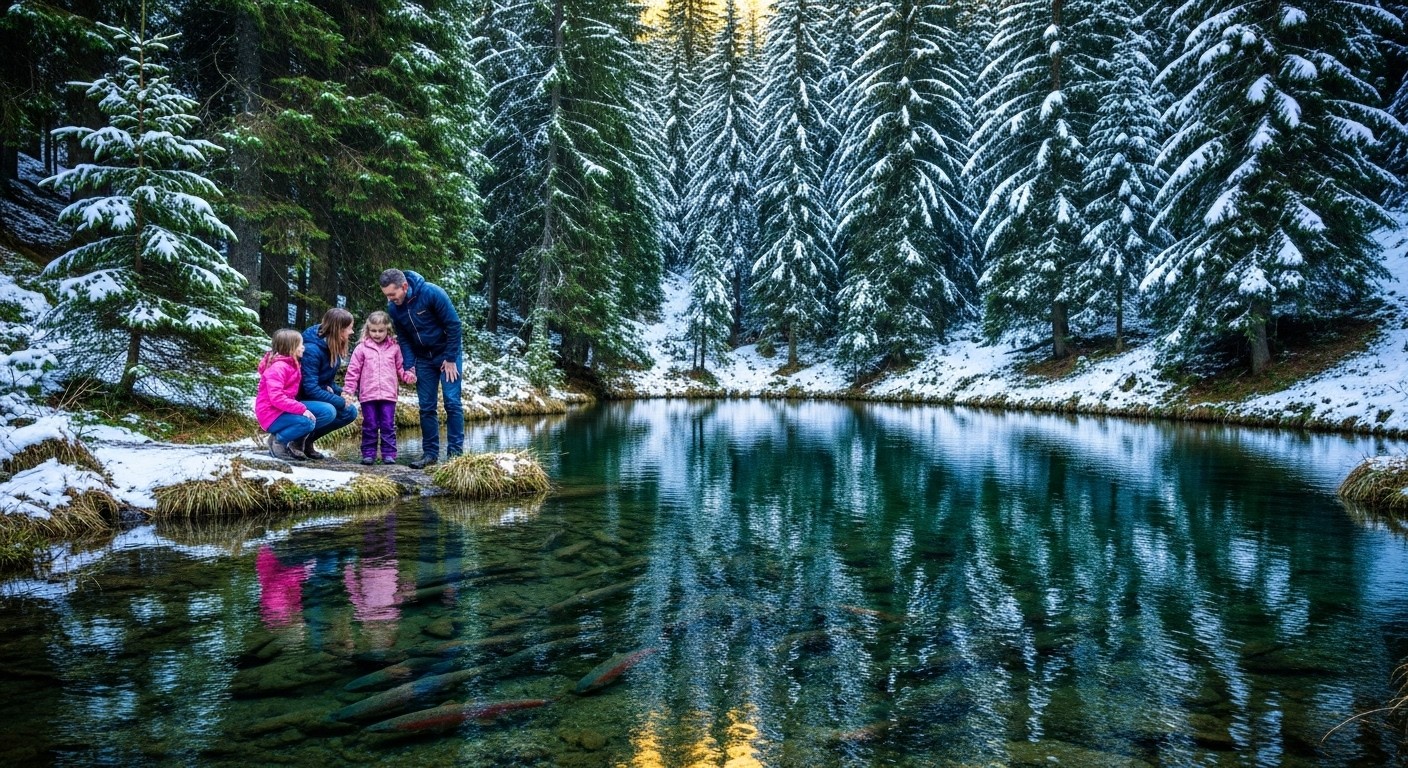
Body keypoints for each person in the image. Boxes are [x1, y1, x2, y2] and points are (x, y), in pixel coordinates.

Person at [380, 268, 463, 469]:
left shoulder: (431, 293)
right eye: (386, 295)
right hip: (423, 359)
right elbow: (405, 339)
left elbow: (454, 325)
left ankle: (455, 457)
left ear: (405, 287)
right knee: (426, 407)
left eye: (393, 294)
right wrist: (409, 366)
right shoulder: (394, 308)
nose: (390, 299)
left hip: (447, 355)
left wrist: (450, 358)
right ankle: (430, 455)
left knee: (452, 403)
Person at [343, 311, 416, 465]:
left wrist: (409, 376)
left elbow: (400, 368)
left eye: (381, 331)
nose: (377, 334)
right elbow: (353, 371)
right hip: (367, 394)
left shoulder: (394, 348)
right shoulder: (361, 348)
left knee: (388, 425)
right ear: (367, 330)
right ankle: (368, 454)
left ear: (388, 330)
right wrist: (348, 391)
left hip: (388, 394)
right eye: (373, 331)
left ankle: (388, 454)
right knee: (369, 424)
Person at [254, 328, 335, 461]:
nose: (304, 348)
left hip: (281, 409)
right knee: (307, 423)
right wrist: (302, 410)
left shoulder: (292, 363)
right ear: (291, 348)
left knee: (325, 412)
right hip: (271, 414)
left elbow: (305, 383)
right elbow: (276, 397)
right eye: (300, 345)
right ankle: (278, 441)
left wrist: (323, 387)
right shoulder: (278, 368)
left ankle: (289, 439)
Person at [297, 308, 360, 459]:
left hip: (313, 396)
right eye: (349, 328)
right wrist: (339, 401)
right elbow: (310, 388)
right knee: (329, 410)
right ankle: (296, 440)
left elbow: (326, 381)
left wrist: (342, 393)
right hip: (298, 399)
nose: (351, 332)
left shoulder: (331, 345)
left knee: (350, 412)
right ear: (339, 329)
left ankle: (308, 441)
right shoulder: (312, 350)